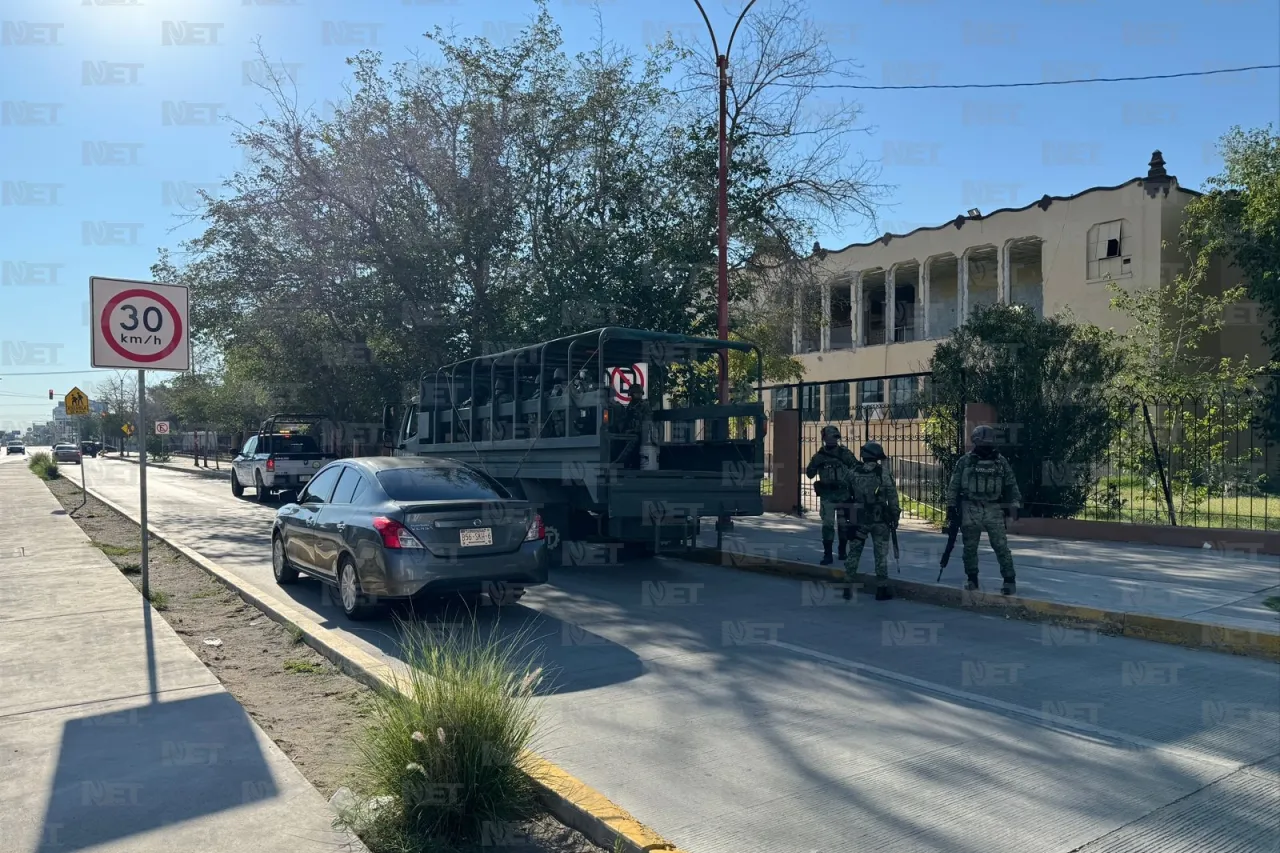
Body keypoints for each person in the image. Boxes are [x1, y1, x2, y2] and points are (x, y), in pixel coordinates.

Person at [946, 424, 1021, 595]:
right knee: (970, 548)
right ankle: (972, 579)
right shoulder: (964, 461)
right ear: (975, 442)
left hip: (993, 508)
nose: (986, 446)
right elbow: (954, 485)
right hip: (970, 507)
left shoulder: (1000, 461)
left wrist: (1015, 504)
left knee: (1001, 546)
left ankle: (1009, 580)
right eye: (983, 442)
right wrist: (951, 505)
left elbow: (1011, 484)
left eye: (988, 442)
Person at [841, 440, 900, 600]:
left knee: (854, 552)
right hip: (880, 520)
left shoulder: (853, 472)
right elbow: (893, 497)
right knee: (880, 554)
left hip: (858, 520)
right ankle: (881, 589)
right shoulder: (883, 473)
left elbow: (845, 496)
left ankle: (847, 586)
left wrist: (847, 517)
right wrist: (895, 515)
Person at [805, 426, 858, 565]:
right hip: (827, 495)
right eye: (829, 437)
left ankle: (842, 550)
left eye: (834, 437)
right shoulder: (819, 456)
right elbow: (809, 473)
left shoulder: (845, 453)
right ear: (824, 439)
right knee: (828, 525)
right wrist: (816, 463)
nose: (832, 440)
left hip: (843, 494)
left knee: (843, 525)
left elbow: (856, 469)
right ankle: (827, 554)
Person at [611, 382, 652, 468]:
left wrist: (635, 429)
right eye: (636, 393)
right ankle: (621, 463)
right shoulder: (631, 406)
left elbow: (647, 421)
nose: (639, 395)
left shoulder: (644, 405)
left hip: (639, 433)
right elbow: (625, 419)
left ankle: (626, 464)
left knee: (633, 443)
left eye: (640, 393)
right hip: (629, 432)